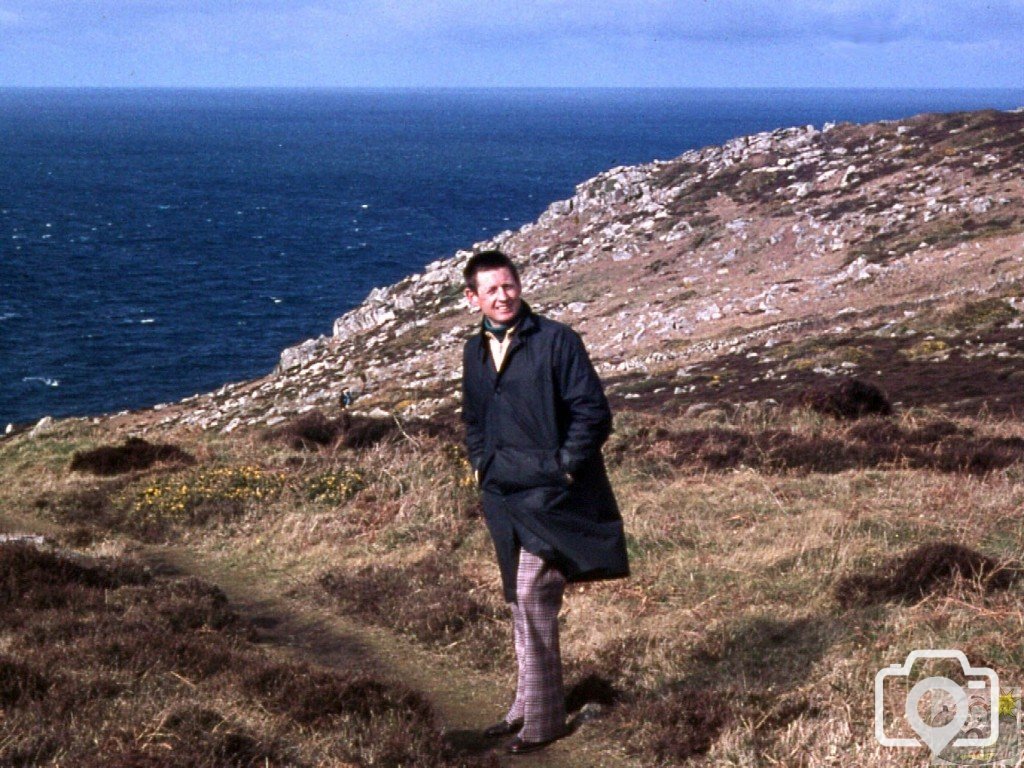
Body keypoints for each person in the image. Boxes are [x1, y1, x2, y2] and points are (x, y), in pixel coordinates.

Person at [460, 249, 629, 755]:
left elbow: (592, 413)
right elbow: (473, 417)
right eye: (490, 289)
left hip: (551, 494)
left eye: (508, 285)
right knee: (517, 597)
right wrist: (480, 466)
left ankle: (544, 719)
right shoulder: (473, 351)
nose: (502, 295)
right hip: (502, 494)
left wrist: (565, 467)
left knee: (534, 594)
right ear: (474, 299)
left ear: (520, 286)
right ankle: (524, 704)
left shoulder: (557, 341)